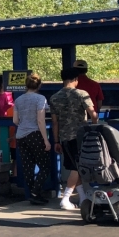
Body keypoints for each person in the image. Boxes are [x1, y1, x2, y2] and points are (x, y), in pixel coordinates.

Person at [49, 66, 98, 210]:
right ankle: (66, 198)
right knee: (76, 168)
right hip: (80, 136)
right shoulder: (82, 94)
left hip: (64, 137)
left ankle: (83, 198)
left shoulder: (54, 97)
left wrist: (56, 141)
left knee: (75, 166)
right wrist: (94, 127)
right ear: (75, 79)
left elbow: (54, 122)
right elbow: (93, 114)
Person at [12, 72, 51, 205]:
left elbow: (15, 120)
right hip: (35, 134)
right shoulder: (40, 99)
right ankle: (36, 192)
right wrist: (46, 139)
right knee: (45, 166)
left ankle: (32, 193)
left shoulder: (18, 100)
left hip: (21, 135)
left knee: (28, 167)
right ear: (39, 85)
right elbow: (41, 120)